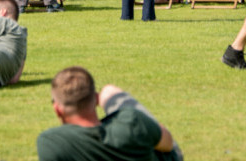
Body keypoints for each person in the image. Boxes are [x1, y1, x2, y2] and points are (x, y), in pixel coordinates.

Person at [36, 66, 182, 161]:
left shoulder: (52, 143)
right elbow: (168, 144)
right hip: (153, 145)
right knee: (110, 91)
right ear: (96, 99)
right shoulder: (132, 121)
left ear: (57, 109)